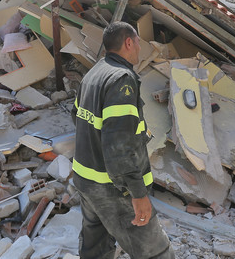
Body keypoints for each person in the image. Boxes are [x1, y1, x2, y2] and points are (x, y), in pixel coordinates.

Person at [72, 21, 174, 259]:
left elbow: (78, 119)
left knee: (95, 249)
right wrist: (138, 194)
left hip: (86, 180)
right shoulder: (121, 80)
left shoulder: (94, 74)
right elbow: (120, 146)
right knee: (155, 251)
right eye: (138, 42)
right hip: (113, 189)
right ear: (129, 42)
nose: (140, 48)